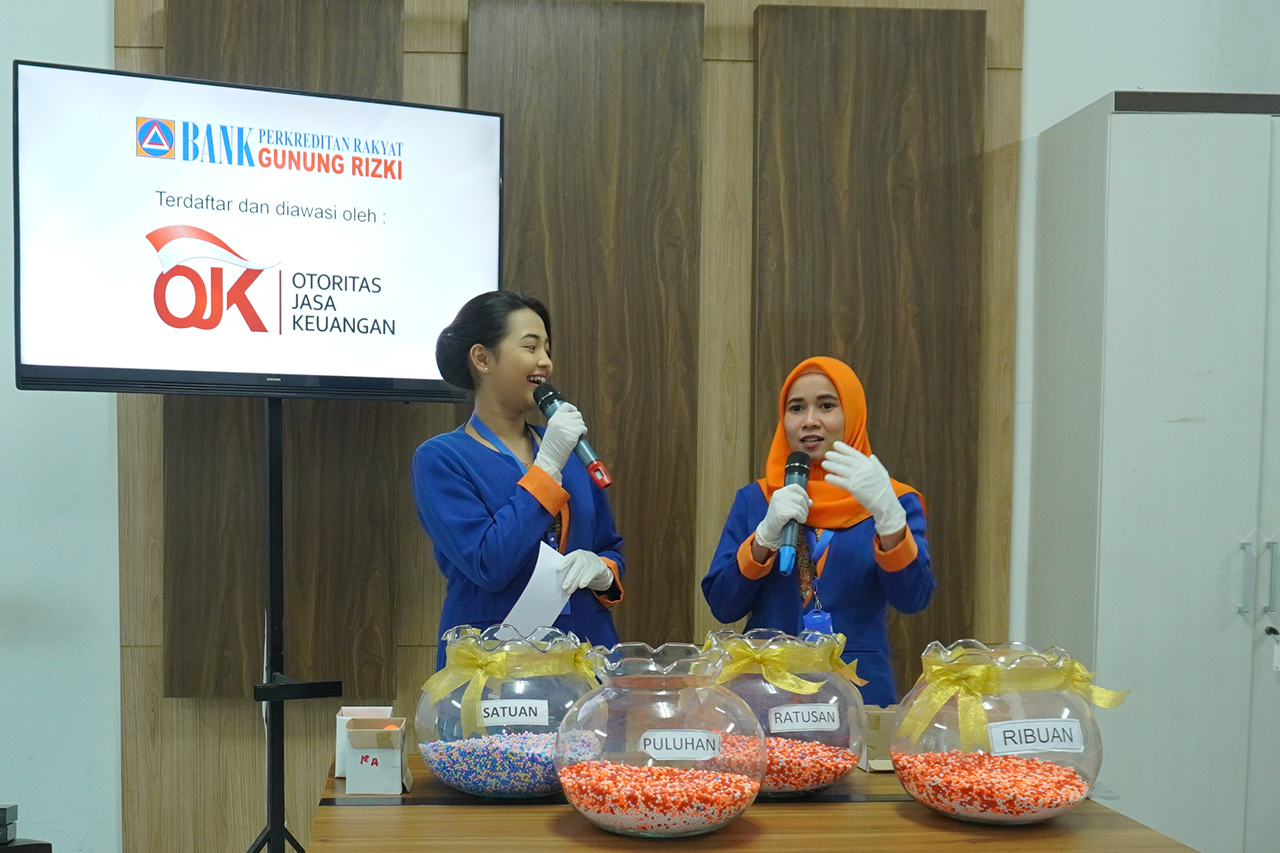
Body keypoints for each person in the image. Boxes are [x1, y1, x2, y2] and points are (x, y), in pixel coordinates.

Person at [701, 356, 933, 705]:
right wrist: (763, 538)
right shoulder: (757, 499)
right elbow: (723, 605)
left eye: (826, 406)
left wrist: (888, 518)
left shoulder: (893, 499)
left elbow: (912, 599)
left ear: (852, 414)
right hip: (767, 693)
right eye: (796, 408)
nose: (810, 420)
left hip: (859, 693)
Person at [412, 291, 624, 668]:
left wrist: (603, 572)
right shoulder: (442, 458)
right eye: (530, 346)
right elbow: (489, 563)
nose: (545, 361)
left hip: (586, 654)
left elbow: (610, 547)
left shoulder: (568, 449)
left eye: (547, 348)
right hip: (495, 662)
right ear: (482, 359)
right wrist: (548, 465)